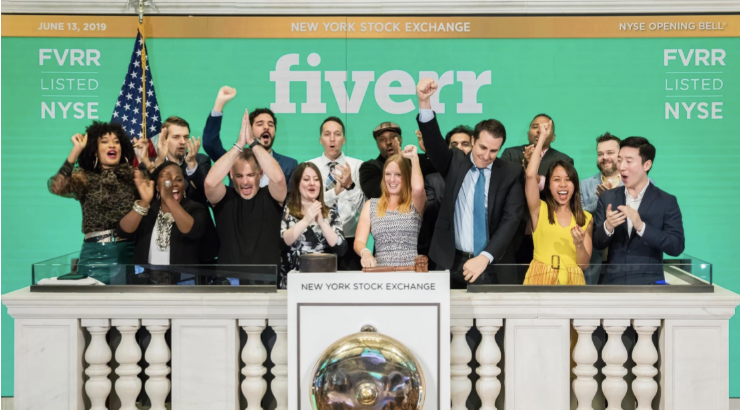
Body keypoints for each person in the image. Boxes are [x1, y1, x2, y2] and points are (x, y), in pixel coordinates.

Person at [415, 78, 525, 287]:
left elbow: (511, 220)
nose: (486, 155)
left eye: (494, 151)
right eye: (482, 147)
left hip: (492, 264)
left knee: (491, 320)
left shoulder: (510, 172)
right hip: (450, 262)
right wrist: (424, 102)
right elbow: (434, 142)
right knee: (448, 320)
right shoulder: (454, 163)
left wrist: (485, 257)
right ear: (473, 140)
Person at [48, 121, 137, 284]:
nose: (112, 145)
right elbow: (57, 187)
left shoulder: (133, 177)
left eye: (116, 142)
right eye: (105, 141)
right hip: (96, 254)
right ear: (95, 151)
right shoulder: (85, 178)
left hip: (129, 253)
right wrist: (75, 151)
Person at [204, 108, 287, 273]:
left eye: (250, 175)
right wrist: (239, 145)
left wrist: (253, 143)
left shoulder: (271, 196)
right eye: (240, 175)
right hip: (229, 283)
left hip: (267, 283)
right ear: (231, 175)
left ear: (261, 174)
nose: (246, 181)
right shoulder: (224, 198)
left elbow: (278, 178)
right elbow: (210, 183)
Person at [593, 137, 685, 285]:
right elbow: (597, 242)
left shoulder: (667, 201)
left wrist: (642, 227)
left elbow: (676, 246)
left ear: (646, 164)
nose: (622, 167)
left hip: (650, 286)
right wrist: (608, 226)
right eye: (619, 160)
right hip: (613, 285)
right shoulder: (608, 197)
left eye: (629, 161)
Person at [501, 114, 575, 280]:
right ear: (528, 133)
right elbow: (503, 187)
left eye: (545, 128)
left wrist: (533, 172)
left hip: (546, 229)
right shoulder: (510, 154)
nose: (539, 131)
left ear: (553, 137)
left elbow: (559, 193)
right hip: (513, 229)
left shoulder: (564, 160)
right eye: (535, 126)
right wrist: (524, 167)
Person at [116, 162, 218, 283]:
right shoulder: (148, 209)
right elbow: (122, 231)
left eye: (178, 180)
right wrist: (144, 202)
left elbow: (193, 231)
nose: (173, 184)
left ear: (184, 185)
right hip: (146, 281)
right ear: (157, 187)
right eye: (167, 180)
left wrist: (169, 198)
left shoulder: (195, 208)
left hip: (183, 283)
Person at [522, 119, 593, 285]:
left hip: (573, 280)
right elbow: (531, 176)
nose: (562, 184)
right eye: (556, 179)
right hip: (539, 277)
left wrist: (579, 244)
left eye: (568, 180)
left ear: (575, 185)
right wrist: (541, 139)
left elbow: (584, 264)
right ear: (548, 185)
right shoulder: (539, 209)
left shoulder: (586, 218)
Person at [202, 86, 297, 189]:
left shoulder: (289, 164)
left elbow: (290, 199)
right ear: (249, 130)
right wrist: (219, 104)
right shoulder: (235, 160)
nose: (266, 127)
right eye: (260, 124)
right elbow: (209, 143)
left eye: (270, 125)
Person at [354, 146, 426, 267]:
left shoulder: (414, 203)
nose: (392, 180)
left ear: (407, 176)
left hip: (411, 275)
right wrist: (365, 252)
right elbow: (359, 241)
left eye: (398, 174)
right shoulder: (371, 205)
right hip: (381, 274)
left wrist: (414, 159)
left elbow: (418, 189)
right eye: (388, 174)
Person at [308, 117, 364, 270]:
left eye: (337, 134)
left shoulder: (358, 166)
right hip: (318, 240)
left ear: (344, 140)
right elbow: (308, 204)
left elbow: (365, 207)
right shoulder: (309, 167)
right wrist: (335, 192)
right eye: (327, 134)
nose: (332, 139)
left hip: (351, 241)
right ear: (320, 140)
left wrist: (350, 185)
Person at [280, 162, 347, 287]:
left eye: (316, 179)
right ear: (297, 184)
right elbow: (282, 242)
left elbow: (341, 248)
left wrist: (321, 222)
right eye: (306, 179)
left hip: (324, 284)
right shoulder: (288, 210)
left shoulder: (330, 213)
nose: (312, 183)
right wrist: (305, 220)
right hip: (293, 283)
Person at [416, 125, 473, 268]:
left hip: (478, 257)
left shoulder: (484, 179)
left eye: (465, 144)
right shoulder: (433, 180)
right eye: (454, 145)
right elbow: (428, 214)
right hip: (446, 255)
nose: (459, 148)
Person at [135, 116, 211, 206]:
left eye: (186, 137)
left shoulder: (200, 160)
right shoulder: (146, 165)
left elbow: (206, 194)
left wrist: (191, 164)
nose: (182, 141)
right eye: (176, 137)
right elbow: (147, 197)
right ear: (164, 140)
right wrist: (160, 160)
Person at [579, 132, 622, 284]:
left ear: (620, 155)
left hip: (623, 261)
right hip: (592, 261)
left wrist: (612, 198)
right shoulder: (585, 184)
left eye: (610, 153)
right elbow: (579, 215)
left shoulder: (637, 183)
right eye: (600, 154)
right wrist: (601, 200)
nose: (605, 157)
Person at [359, 121, 436, 199]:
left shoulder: (415, 159)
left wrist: (429, 151)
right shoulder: (369, 167)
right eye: (382, 139)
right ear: (377, 144)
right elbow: (377, 192)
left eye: (393, 137)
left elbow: (443, 170)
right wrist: (398, 160)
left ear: (401, 139)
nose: (388, 142)